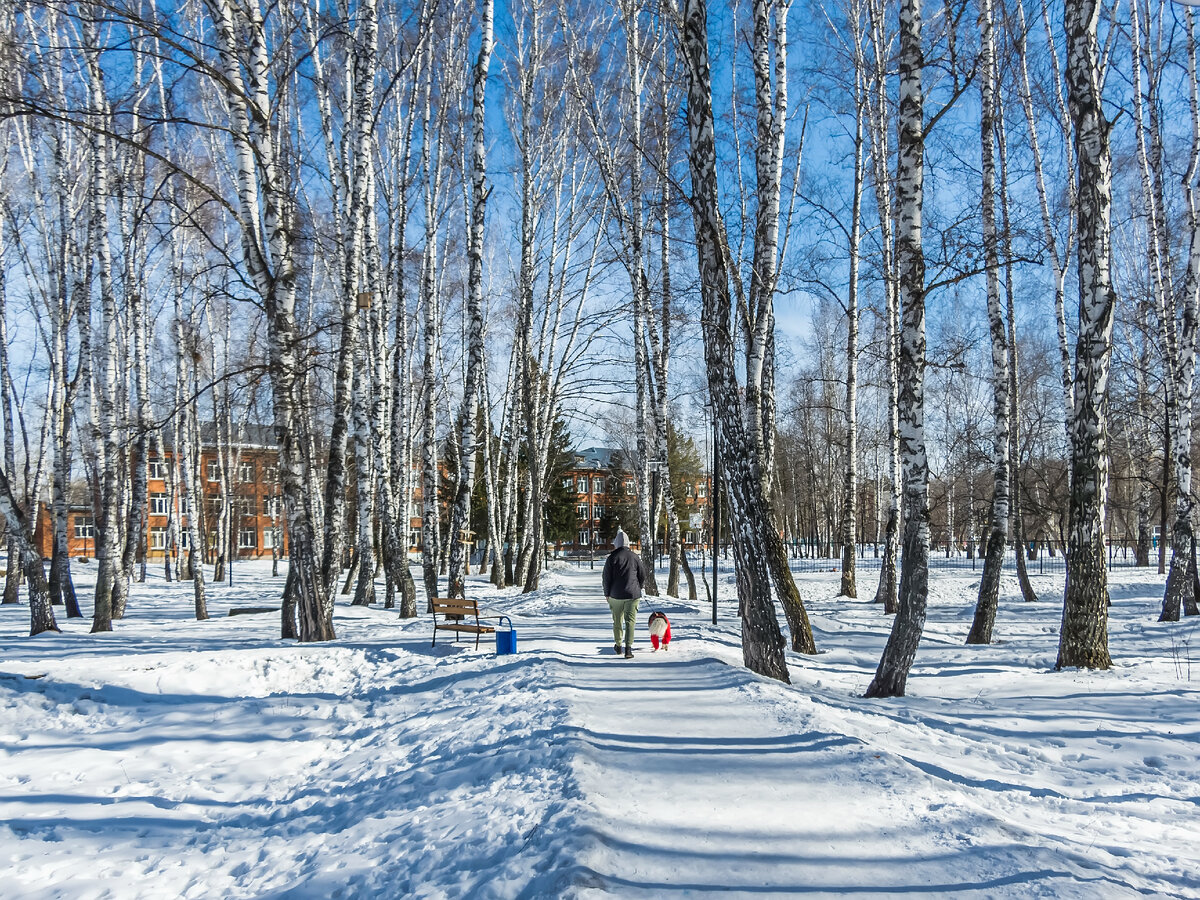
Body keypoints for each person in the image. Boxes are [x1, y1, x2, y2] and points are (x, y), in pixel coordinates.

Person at [602, 528, 645, 658]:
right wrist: (638, 587)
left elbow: (606, 578)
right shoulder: (635, 557)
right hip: (633, 595)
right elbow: (642, 575)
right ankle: (629, 649)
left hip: (615, 595)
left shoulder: (612, 558)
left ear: (616, 543)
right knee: (630, 621)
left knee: (617, 621)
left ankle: (618, 645)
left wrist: (607, 593)